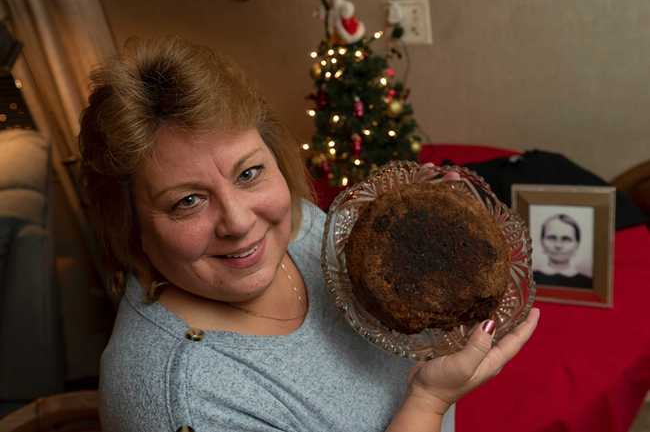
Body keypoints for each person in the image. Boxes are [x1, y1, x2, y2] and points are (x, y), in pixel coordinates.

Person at [79, 37, 539, 432]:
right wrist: (429, 402)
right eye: (188, 201)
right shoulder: (180, 401)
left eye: (249, 173)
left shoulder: (295, 226)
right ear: (128, 221)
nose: (239, 222)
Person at [533, 213, 592, 289]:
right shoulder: (529, 279)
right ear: (542, 241)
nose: (558, 245)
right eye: (552, 238)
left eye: (566, 239)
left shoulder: (588, 283)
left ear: (576, 245)